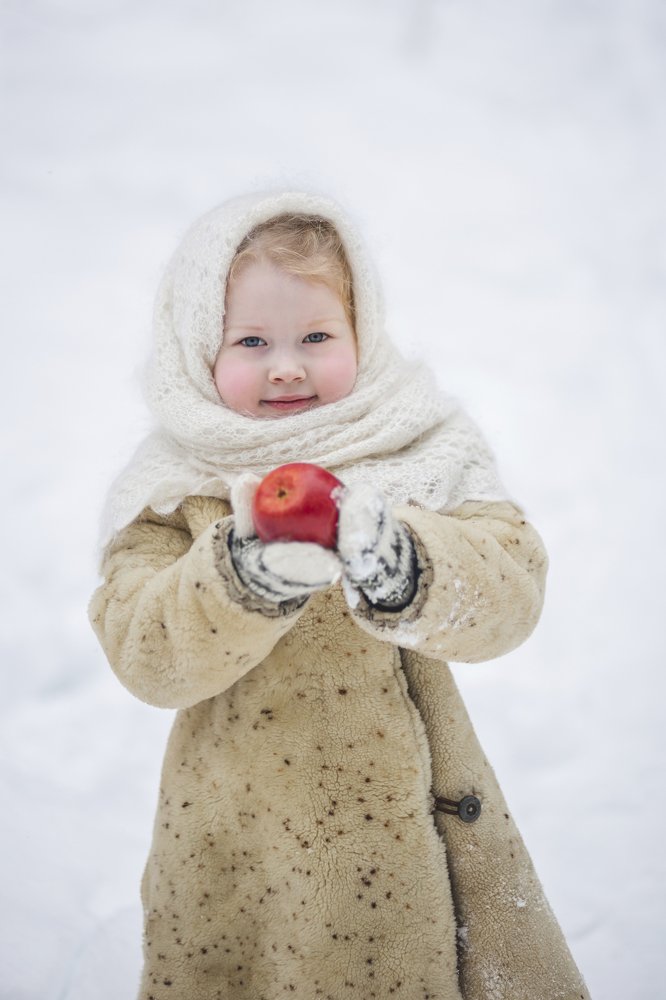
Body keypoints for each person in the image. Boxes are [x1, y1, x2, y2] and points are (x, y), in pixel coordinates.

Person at [89, 191, 589, 1000]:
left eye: (316, 337)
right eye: (252, 341)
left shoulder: (415, 447)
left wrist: (406, 565)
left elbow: (513, 585)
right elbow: (143, 652)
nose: (286, 364)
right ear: (194, 347)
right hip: (252, 859)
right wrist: (237, 579)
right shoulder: (175, 491)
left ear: (364, 336)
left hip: (421, 849)